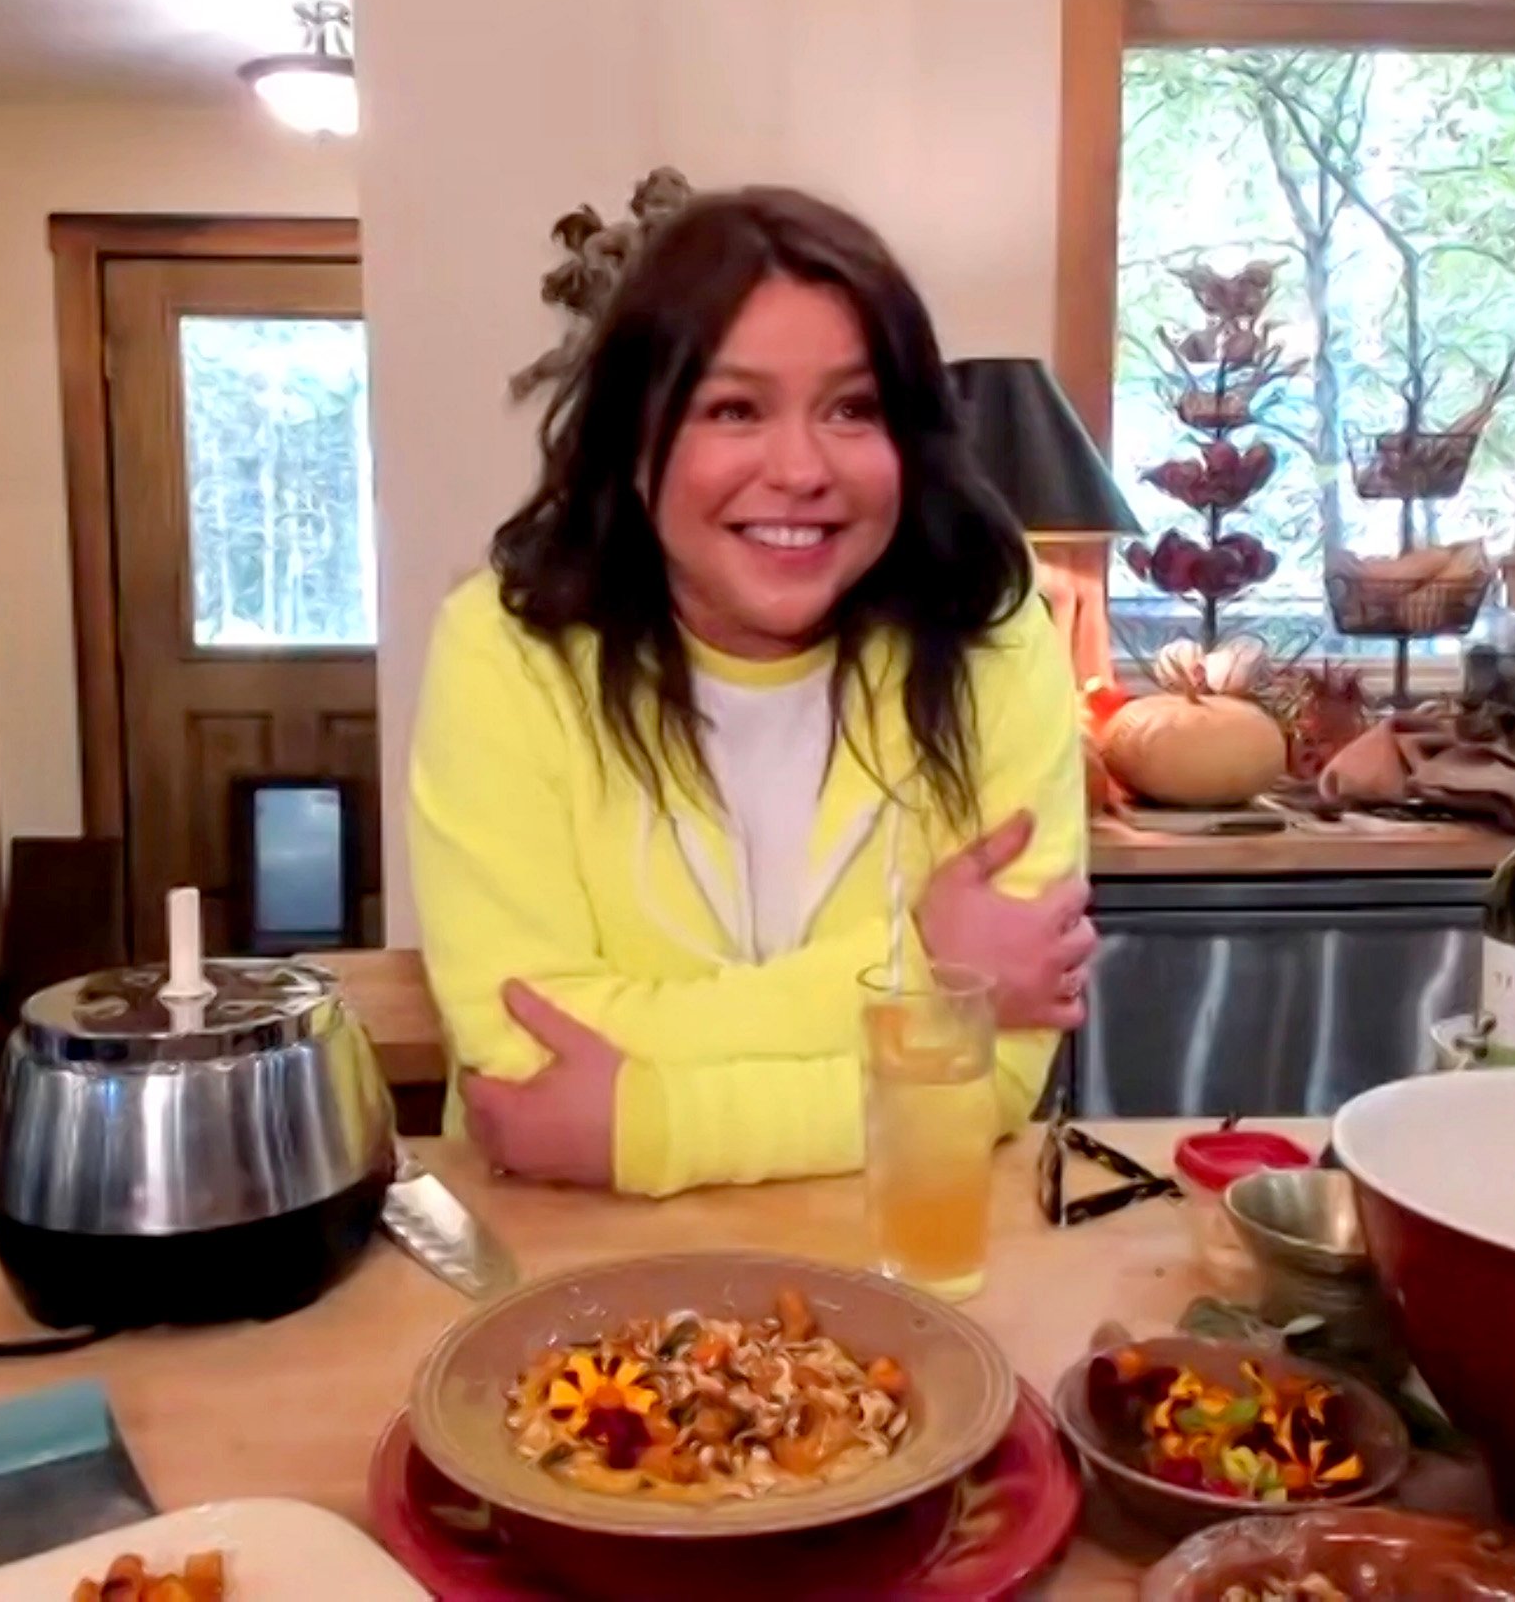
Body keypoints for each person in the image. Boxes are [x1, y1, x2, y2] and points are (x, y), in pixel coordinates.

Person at [405, 186, 1094, 1197]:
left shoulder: (996, 643)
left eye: (853, 409)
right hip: (578, 1260)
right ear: (636, 445)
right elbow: (521, 1061)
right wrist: (926, 969)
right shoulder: (505, 652)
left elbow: (991, 1077)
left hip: (894, 1253)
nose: (802, 468)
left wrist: (647, 1122)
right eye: (734, 408)